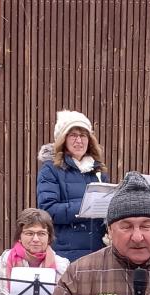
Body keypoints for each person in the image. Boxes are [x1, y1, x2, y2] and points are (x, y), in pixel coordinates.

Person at [36, 109, 108, 261]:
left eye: (83, 135)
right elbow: (48, 210)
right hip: (66, 253)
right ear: (63, 139)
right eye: (73, 135)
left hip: (98, 250)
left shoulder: (98, 171)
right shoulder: (50, 170)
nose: (79, 140)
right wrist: (86, 207)